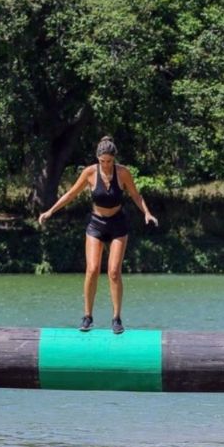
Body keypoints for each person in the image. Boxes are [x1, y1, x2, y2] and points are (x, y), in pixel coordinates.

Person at [38, 136, 158, 334]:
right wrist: (50, 211)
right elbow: (71, 194)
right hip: (96, 224)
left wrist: (147, 212)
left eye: (109, 161)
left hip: (118, 224)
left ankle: (116, 318)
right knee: (92, 269)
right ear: (98, 159)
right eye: (102, 161)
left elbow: (136, 195)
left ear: (114, 159)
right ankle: (87, 317)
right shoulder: (90, 173)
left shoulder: (123, 173)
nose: (106, 165)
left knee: (113, 271)